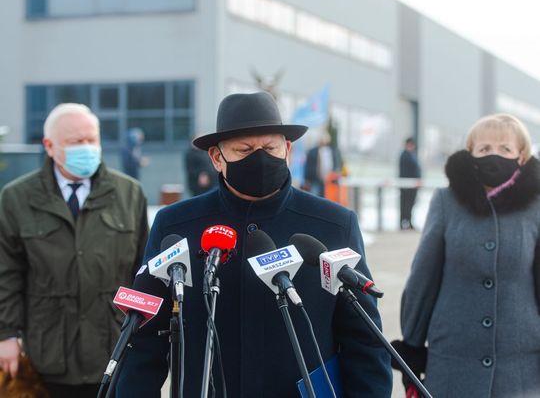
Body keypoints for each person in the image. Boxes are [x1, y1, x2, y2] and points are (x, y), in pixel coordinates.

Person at [117, 92, 392, 397]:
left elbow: (364, 341)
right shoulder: (174, 226)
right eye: (244, 150)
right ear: (217, 158)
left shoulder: (334, 224)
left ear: (288, 150)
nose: (260, 158)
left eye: (270, 148)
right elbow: (144, 342)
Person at [0, 103, 149, 398]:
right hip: (48, 352)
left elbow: (143, 271)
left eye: (92, 139)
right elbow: (7, 272)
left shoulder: (129, 193)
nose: (87, 148)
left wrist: (146, 339)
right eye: (76, 141)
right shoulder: (17, 198)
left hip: (114, 347)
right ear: (49, 146)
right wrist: (6, 334)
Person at [392, 114, 540, 397]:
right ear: (470, 155)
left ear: (521, 156)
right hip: (452, 363)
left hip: (520, 370)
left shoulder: (536, 207)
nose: (494, 156)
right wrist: (412, 346)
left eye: (505, 149)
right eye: (484, 149)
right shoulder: (446, 202)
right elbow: (423, 278)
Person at [304, 130, 342, 197]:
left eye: (325, 138)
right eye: (322, 138)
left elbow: (337, 165)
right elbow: (307, 166)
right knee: (315, 198)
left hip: (330, 181)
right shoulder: (312, 151)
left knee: (329, 199)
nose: (323, 140)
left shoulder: (333, 151)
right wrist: (307, 180)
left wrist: (335, 175)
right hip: (315, 180)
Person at [398, 137, 421, 229]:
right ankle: (403, 222)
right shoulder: (404, 155)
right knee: (405, 205)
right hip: (406, 185)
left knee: (410, 204)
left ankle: (409, 222)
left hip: (413, 185)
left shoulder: (412, 155)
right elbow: (406, 171)